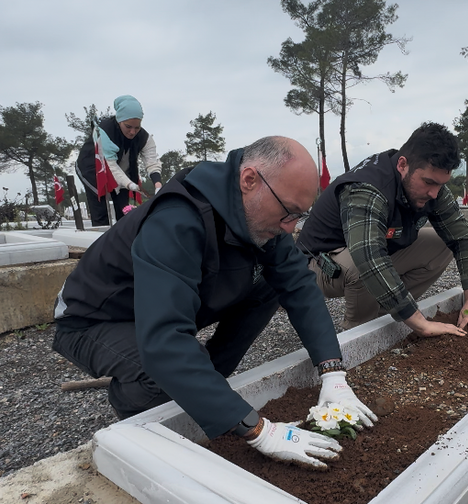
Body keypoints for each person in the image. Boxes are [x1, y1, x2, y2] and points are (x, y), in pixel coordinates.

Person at [54, 136, 376, 469]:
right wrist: (259, 430)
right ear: (249, 180)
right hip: (94, 319)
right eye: (288, 212)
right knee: (157, 371)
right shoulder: (178, 219)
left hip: (153, 308)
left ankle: (207, 384)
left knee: (269, 284)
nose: (290, 227)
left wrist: (332, 373)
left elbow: (299, 286)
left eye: (299, 215)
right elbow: (164, 341)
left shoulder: (258, 216)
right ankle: (140, 413)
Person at [296, 122, 468, 336]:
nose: (434, 193)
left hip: (364, 254)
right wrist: (422, 324)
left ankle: (384, 314)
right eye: (429, 182)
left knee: (441, 244)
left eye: (441, 184)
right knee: (363, 265)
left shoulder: (432, 189)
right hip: (319, 265)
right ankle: (358, 334)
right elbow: (368, 257)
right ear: (403, 165)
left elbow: (463, 238)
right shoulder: (367, 188)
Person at [75, 95, 163, 226]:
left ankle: (124, 241)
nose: (133, 132)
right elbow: (111, 166)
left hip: (122, 173)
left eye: (137, 127)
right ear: (119, 121)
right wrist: (131, 185)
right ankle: (101, 241)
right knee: (101, 211)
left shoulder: (144, 137)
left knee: (124, 212)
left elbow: (152, 163)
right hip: (94, 168)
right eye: (128, 127)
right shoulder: (104, 131)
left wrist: (157, 184)